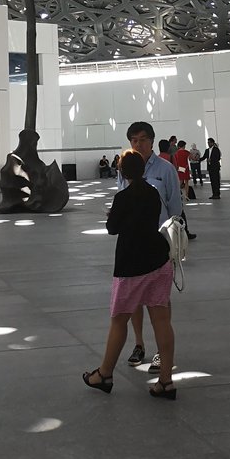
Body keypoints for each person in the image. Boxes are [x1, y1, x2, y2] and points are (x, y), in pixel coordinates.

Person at [82, 149, 177, 400]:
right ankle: (166, 381)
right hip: (158, 260)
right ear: (143, 170)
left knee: (118, 321)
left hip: (131, 265)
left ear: (121, 171)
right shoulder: (153, 193)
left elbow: (113, 229)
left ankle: (104, 374)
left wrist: (113, 217)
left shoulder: (122, 197)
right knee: (162, 319)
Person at [118, 121, 191, 369]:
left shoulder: (165, 169)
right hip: (132, 245)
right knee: (133, 300)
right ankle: (139, 344)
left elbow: (174, 207)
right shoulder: (124, 168)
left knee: (159, 301)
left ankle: (163, 352)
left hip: (158, 243)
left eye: (143, 139)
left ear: (151, 140)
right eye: (134, 140)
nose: (138, 144)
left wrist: (171, 239)